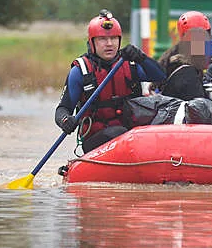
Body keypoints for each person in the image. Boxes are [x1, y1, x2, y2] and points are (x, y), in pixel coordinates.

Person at [55, 10, 166, 153]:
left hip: (133, 137)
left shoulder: (130, 65)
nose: (109, 44)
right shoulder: (80, 71)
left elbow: (161, 76)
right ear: (92, 42)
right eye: (102, 39)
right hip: (97, 140)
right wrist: (66, 120)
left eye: (114, 38)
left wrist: (141, 57)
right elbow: (62, 109)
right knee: (117, 133)